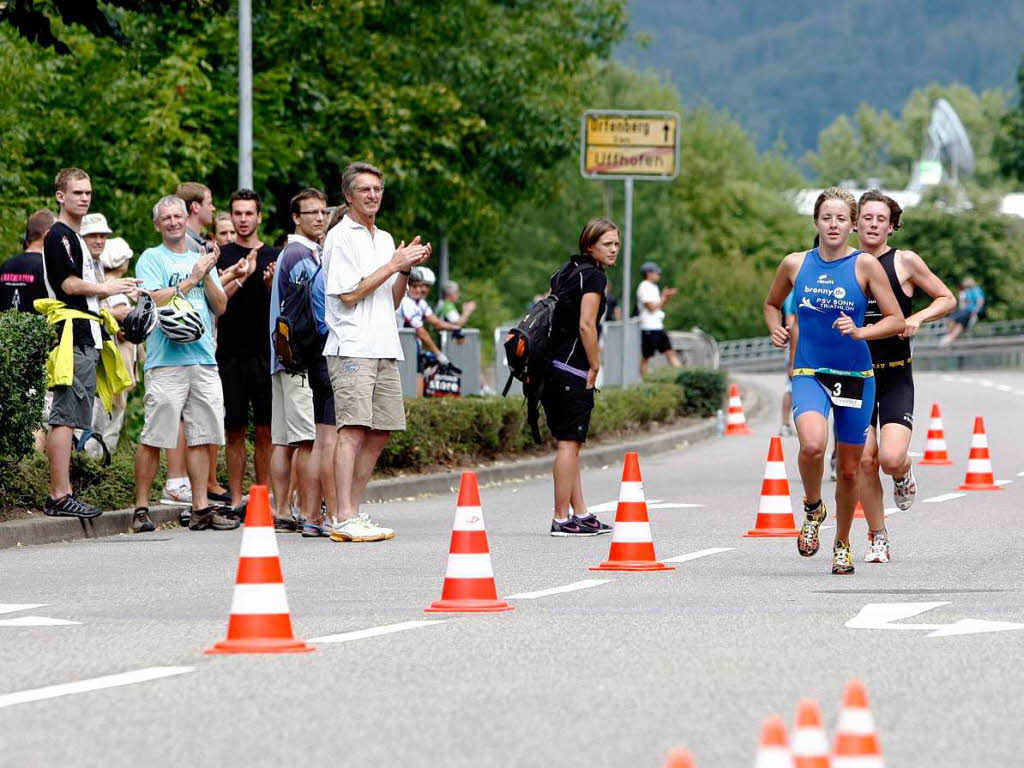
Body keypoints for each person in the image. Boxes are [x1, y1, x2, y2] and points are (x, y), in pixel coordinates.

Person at [763, 187, 905, 574]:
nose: (834, 225)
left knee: (848, 469)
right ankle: (812, 507)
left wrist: (861, 332)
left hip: (857, 375)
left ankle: (842, 543)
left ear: (853, 224)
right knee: (811, 445)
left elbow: (896, 320)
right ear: (816, 222)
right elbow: (772, 303)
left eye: (842, 219)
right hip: (810, 370)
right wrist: (775, 328)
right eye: (827, 217)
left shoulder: (865, 266)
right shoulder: (795, 263)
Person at [322, 161, 430, 542]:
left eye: (378, 190)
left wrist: (404, 269)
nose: (373, 195)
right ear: (349, 195)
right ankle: (341, 515)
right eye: (365, 189)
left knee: (381, 430)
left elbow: (393, 301)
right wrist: (393, 265)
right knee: (352, 429)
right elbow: (349, 294)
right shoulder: (340, 237)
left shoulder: (384, 238)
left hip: (385, 344)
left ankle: (353, 508)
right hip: (351, 346)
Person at [856, 190, 956, 563]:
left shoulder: (905, 262)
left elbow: (946, 298)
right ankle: (877, 536)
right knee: (865, 459)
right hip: (854, 377)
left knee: (890, 457)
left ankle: (903, 473)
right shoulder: (841, 263)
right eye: (867, 217)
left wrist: (916, 318)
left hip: (895, 374)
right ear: (855, 223)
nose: (873, 224)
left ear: (891, 227)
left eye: (882, 219)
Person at [133, 195, 236, 533]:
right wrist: (191, 279)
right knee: (154, 436)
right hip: (165, 362)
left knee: (202, 436)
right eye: (167, 218)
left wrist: (206, 275)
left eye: (178, 216)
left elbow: (220, 306)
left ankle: (200, 509)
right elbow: (148, 298)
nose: (174, 222)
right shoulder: (151, 258)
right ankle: (142, 508)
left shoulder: (202, 259)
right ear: (158, 225)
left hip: (204, 359)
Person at [40, 168, 139, 519]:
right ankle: (59, 494)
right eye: (77, 192)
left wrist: (117, 300)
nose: (84, 197)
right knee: (64, 416)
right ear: (60, 196)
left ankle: (64, 491)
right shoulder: (59, 236)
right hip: (71, 334)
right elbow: (67, 285)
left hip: (87, 334)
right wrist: (108, 288)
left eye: (88, 192)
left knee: (75, 416)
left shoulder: (77, 237)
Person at [544, 217, 619, 536]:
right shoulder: (593, 277)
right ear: (590, 246)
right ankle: (561, 517)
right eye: (607, 244)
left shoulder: (565, 271)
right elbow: (586, 325)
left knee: (570, 444)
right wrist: (595, 363)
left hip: (550, 365)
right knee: (568, 444)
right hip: (572, 368)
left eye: (617, 243)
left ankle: (581, 512)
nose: (614, 250)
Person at [216, 188, 280, 510]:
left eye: (248, 213)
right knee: (235, 429)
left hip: (265, 355)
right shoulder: (220, 255)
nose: (243, 219)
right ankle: (236, 497)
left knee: (267, 430)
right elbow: (213, 304)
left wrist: (270, 287)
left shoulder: (275, 255)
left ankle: (262, 497)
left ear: (259, 216)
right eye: (237, 213)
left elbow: (285, 308)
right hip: (229, 354)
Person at [268, 188, 327, 533]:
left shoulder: (288, 254)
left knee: (283, 439)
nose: (319, 218)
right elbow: (316, 310)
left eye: (322, 212)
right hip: (300, 360)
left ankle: (281, 510)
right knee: (307, 439)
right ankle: (308, 511)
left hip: (281, 357)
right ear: (296, 217)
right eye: (311, 213)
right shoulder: (302, 255)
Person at [396, 267, 463, 396]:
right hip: (403, 347)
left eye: (427, 286)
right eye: (419, 285)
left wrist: (455, 327)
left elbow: (436, 323)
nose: (423, 289)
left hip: (412, 347)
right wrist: (439, 355)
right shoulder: (406, 302)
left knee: (418, 378)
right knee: (412, 387)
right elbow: (421, 332)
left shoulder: (420, 302)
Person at [1, 210, 55, 313]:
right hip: (39, 328)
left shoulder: (6, 265)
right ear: (47, 234)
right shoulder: (47, 266)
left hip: (5, 328)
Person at [636, 261, 681, 375]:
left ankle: (682, 376)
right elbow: (651, 307)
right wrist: (664, 297)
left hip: (657, 326)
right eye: (656, 272)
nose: (658, 275)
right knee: (646, 357)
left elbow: (658, 306)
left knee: (670, 353)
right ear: (648, 273)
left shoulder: (654, 287)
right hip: (648, 328)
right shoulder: (644, 287)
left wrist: (665, 298)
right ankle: (643, 382)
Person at [939, 277, 985, 346]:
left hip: (972, 312)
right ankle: (949, 335)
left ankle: (950, 338)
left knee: (961, 324)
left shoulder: (977, 290)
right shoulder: (967, 291)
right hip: (965, 311)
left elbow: (980, 302)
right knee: (953, 319)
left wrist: (975, 312)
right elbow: (965, 303)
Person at [176, 182, 217, 255]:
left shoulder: (192, 240)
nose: (213, 208)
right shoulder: (185, 242)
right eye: (209, 203)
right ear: (195, 206)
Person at [779, 289, 798, 436]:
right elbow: (791, 321)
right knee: (790, 386)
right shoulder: (792, 293)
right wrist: (792, 359)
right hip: (796, 344)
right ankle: (785, 423)